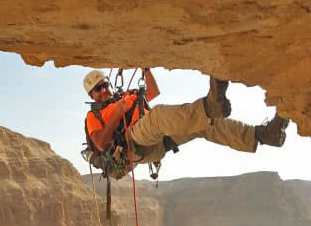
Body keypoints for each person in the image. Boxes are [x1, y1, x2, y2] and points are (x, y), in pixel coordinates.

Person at [83, 69, 288, 169]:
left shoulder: (125, 96)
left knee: (204, 125)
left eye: (105, 85)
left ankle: (263, 136)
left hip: (155, 142)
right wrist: (118, 112)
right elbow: (100, 143)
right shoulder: (94, 116)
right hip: (131, 143)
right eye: (97, 90)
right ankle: (211, 106)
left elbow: (153, 93)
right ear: (91, 95)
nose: (104, 91)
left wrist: (146, 70)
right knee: (159, 116)